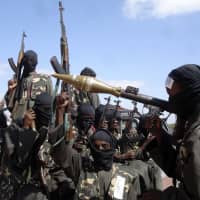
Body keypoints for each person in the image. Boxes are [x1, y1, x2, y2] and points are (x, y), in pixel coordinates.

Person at [141, 64, 200, 200]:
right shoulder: (192, 128)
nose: (170, 102)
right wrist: (160, 135)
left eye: (173, 96)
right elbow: (181, 171)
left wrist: (163, 197)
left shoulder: (197, 136)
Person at [11, 50, 53, 120]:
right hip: (22, 118)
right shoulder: (21, 81)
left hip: (39, 119)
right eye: (29, 60)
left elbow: (50, 99)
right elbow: (13, 103)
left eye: (32, 60)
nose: (31, 62)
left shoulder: (46, 79)